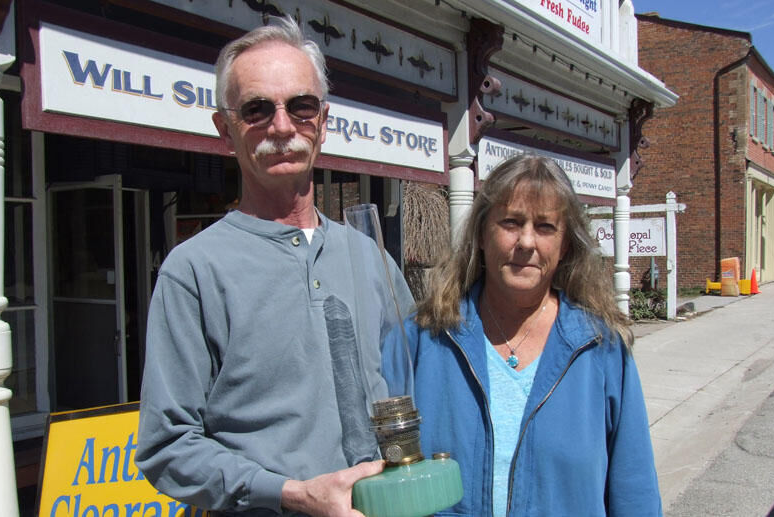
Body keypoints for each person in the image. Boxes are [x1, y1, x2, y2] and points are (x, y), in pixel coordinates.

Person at [135, 16, 413, 517]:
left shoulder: (369, 255)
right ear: (226, 129)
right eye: (257, 109)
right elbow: (167, 447)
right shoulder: (194, 271)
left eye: (301, 106)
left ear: (323, 122)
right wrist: (293, 495)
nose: (281, 126)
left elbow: (422, 382)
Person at [382, 154, 661, 516]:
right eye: (511, 222)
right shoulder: (421, 341)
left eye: (545, 227)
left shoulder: (601, 350)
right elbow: (374, 469)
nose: (526, 241)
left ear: (565, 246)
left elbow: (634, 491)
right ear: (482, 233)